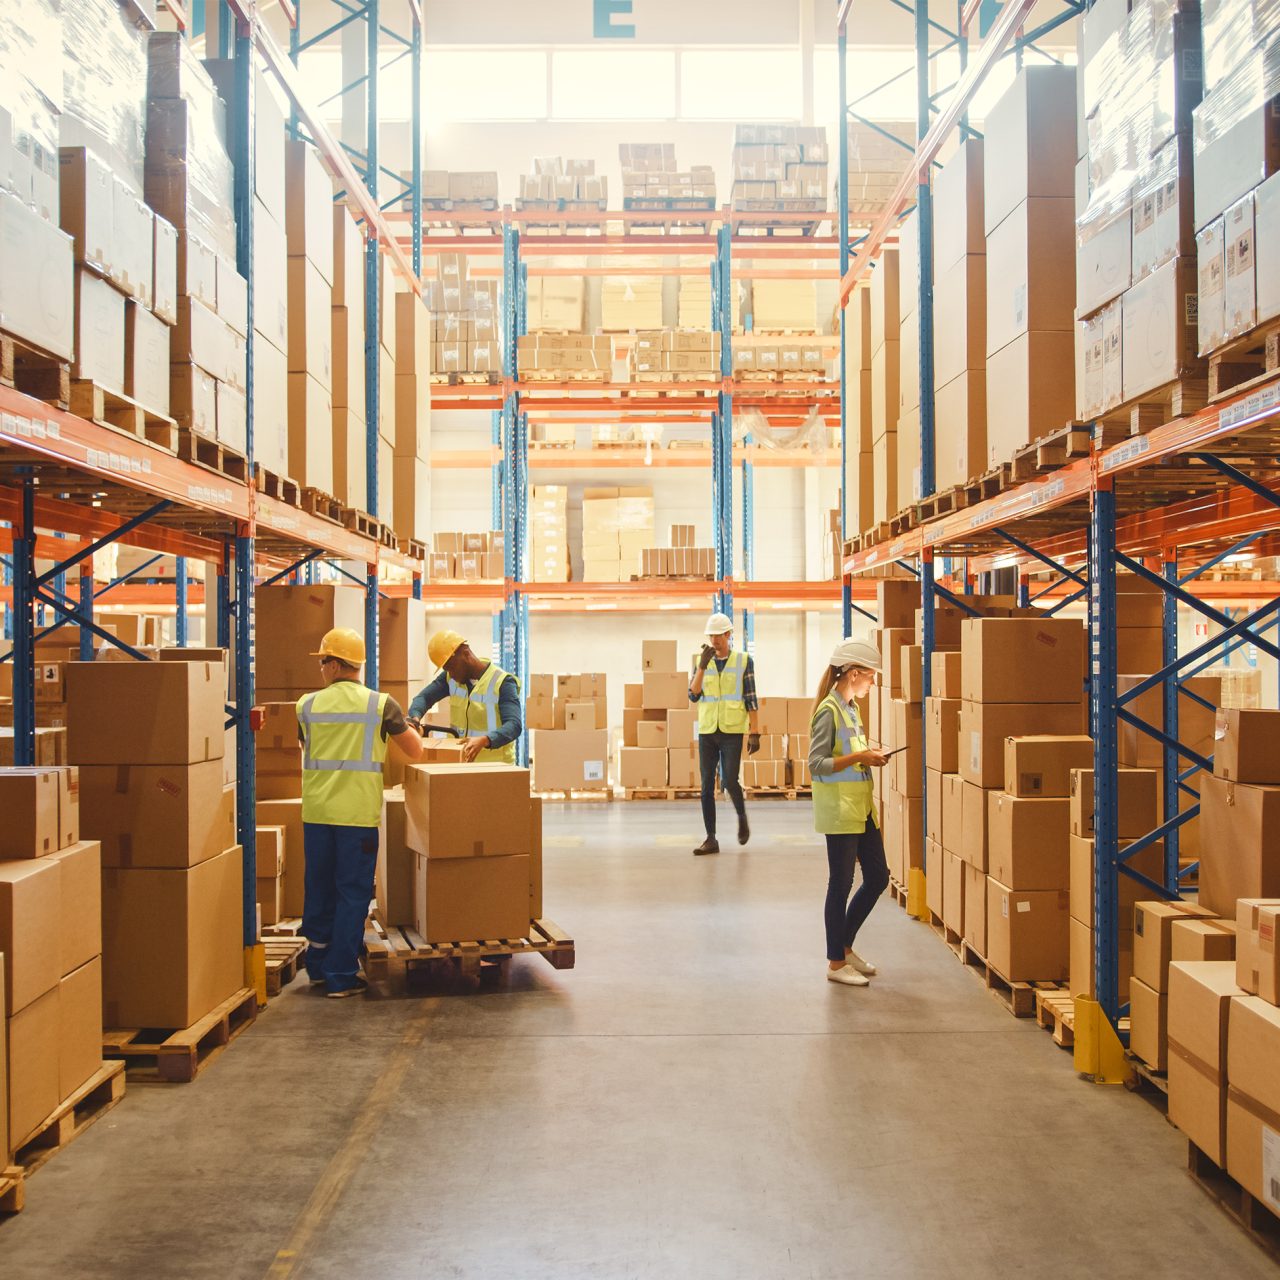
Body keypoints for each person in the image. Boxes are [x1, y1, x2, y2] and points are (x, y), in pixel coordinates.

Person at [298, 627, 424, 998]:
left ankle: (318, 968)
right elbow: (414, 750)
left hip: (317, 813)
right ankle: (340, 975)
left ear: (335, 665)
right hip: (356, 817)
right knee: (351, 893)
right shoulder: (381, 704)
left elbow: (307, 745)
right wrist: (409, 726)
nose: (321, 668)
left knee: (318, 888)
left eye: (323, 662)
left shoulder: (305, 705)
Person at [809, 638, 890, 987]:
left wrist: (869, 754)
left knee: (878, 877)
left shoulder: (851, 708)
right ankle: (836, 963)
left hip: (861, 809)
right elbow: (816, 765)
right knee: (840, 885)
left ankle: (845, 945)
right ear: (855, 673)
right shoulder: (828, 711)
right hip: (840, 811)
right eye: (871, 677)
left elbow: (852, 753)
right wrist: (860, 757)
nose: (873, 682)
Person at [687, 611, 760, 856]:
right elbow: (693, 695)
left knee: (729, 780)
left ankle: (741, 816)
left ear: (729, 635)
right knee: (706, 785)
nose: (715, 640)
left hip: (731, 730)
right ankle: (711, 838)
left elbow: (751, 697)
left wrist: (755, 732)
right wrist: (701, 667)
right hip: (708, 730)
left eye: (719, 635)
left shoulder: (743, 660)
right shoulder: (702, 660)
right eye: (712, 636)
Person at [406, 630, 522, 764]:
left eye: (452, 667)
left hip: (495, 767)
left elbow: (514, 725)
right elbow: (424, 697)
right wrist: (414, 718)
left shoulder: (502, 682)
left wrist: (486, 740)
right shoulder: (450, 678)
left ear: (466, 654)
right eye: (446, 669)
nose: (451, 673)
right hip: (461, 764)